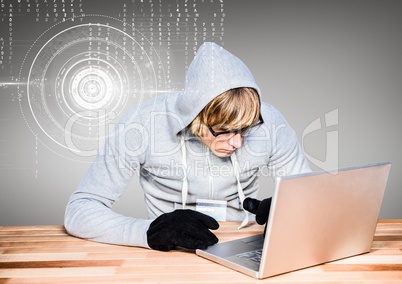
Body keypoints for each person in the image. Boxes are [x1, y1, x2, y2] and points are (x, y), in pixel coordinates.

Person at [64, 42, 311, 251]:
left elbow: (312, 197)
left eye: (245, 129)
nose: (236, 142)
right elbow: (79, 211)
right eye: (223, 130)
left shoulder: (269, 122)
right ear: (195, 118)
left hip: (244, 247)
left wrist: (290, 206)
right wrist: (148, 232)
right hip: (170, 252)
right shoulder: (141, 124)